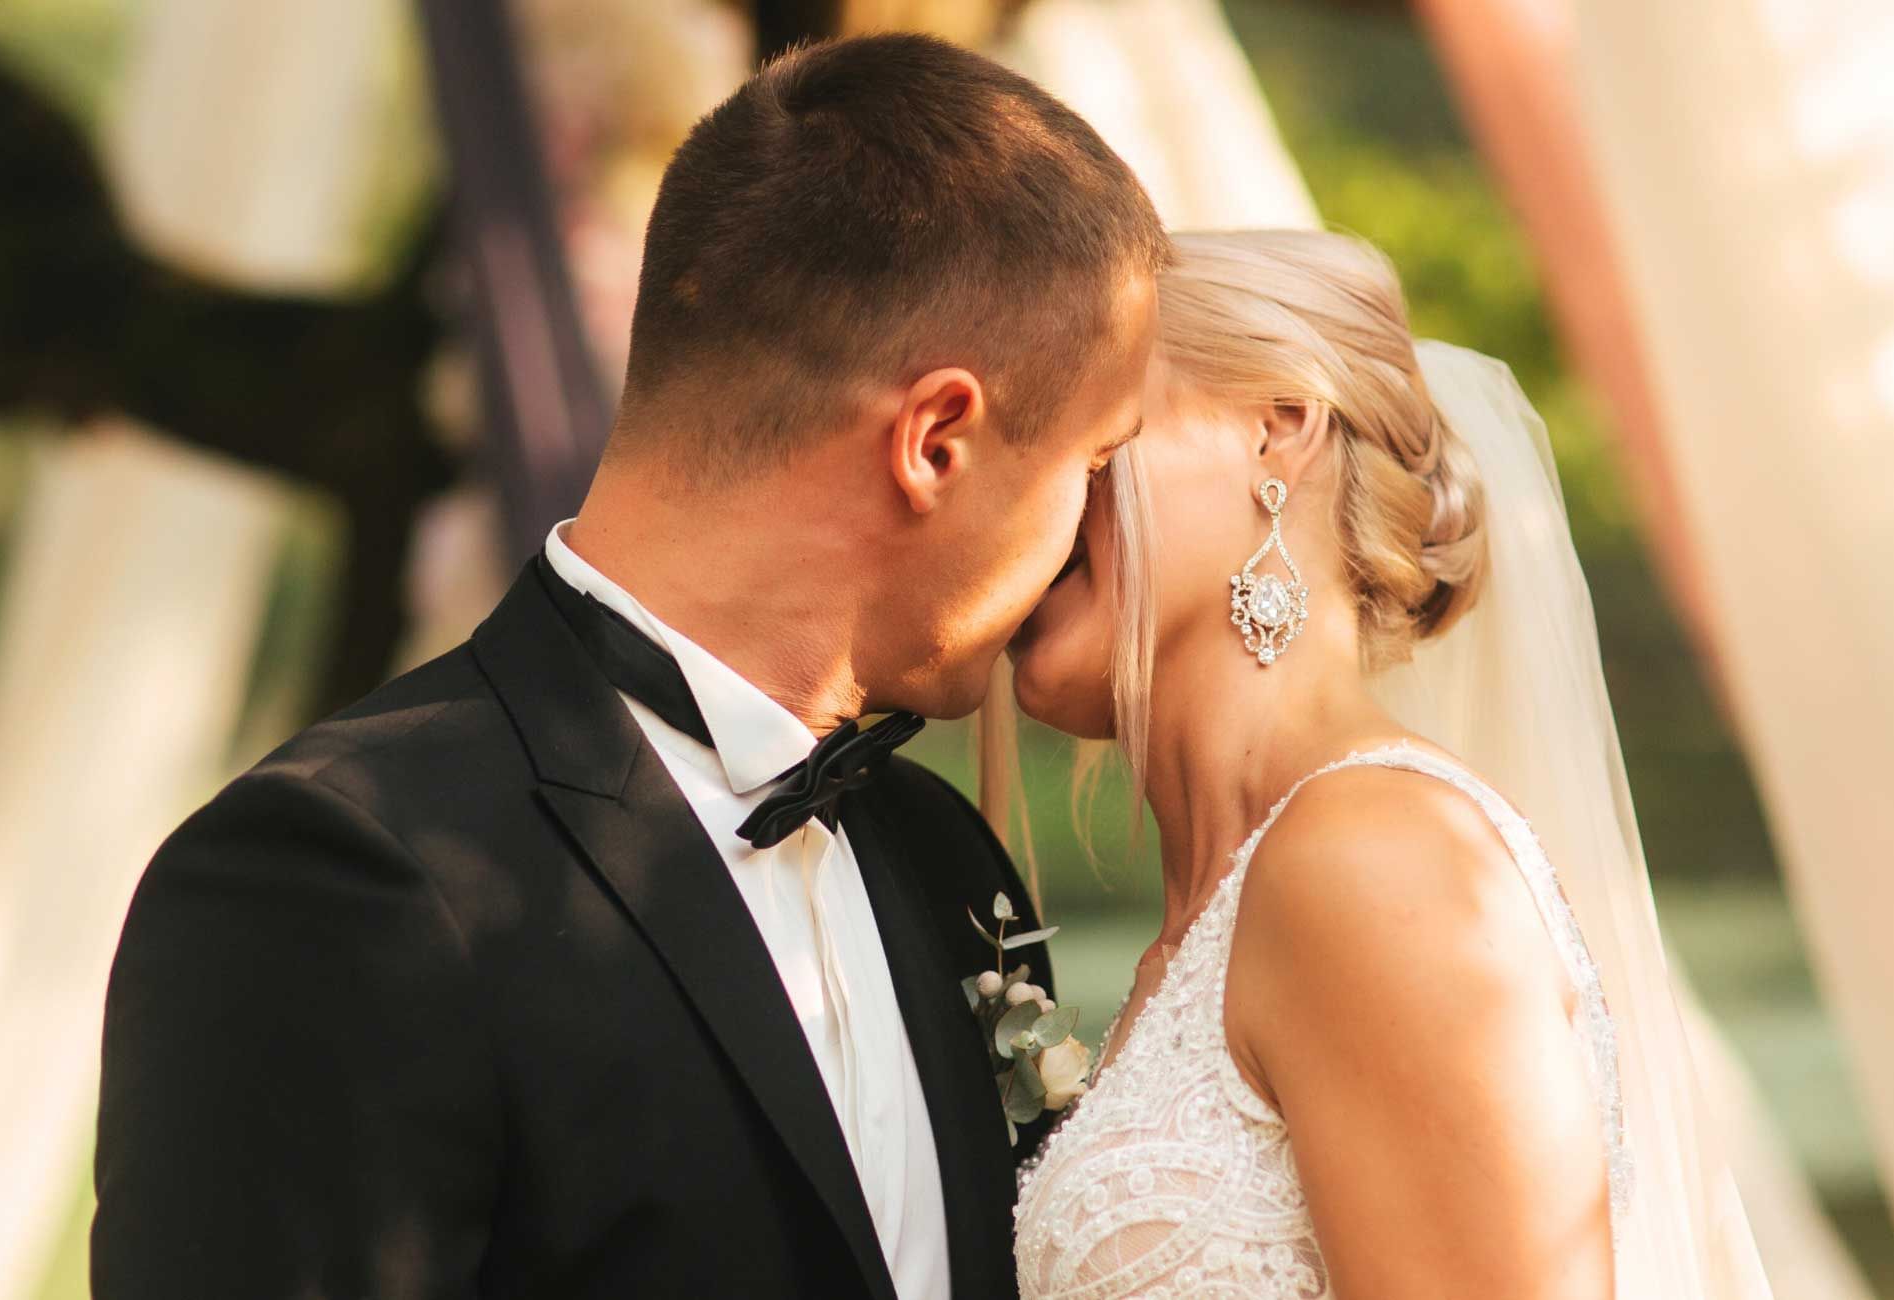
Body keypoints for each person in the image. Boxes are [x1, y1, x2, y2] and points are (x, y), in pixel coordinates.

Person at [92, 34, 1166, 1299]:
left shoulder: (946, 865)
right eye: (1093, 463)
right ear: (934, 439)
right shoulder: (340, 876)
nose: (1095, 533)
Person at [1007, 229, 1772, 1299]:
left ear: (1275, 433)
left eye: (1082, 418)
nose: (1024, 473)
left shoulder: (1376, 863)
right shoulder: (1226, 909)